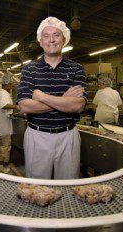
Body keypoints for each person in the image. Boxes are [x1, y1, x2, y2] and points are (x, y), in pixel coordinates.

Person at [16, 16, 87, 180]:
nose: (51, 40)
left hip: (68, 136)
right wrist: (64, 99)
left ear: (64, 39)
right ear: (40, 41)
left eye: (56, 35)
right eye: (46, 36)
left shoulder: (77, 69)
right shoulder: (29, 70)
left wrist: (41, 96)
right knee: (37, 185)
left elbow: (77, 106)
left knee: (69, 183)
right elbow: (25, 106)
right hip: (37, 136)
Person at [0, 74, 19, 174]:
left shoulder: (0, 92)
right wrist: (17, 107)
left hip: (0, 124)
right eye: (10, 85)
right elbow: (5, 105)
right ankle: (4, 166)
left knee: (0, 146)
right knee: (6, 146)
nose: (11, 87)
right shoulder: (4, 93)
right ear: (6, 84)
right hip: (3, 126)